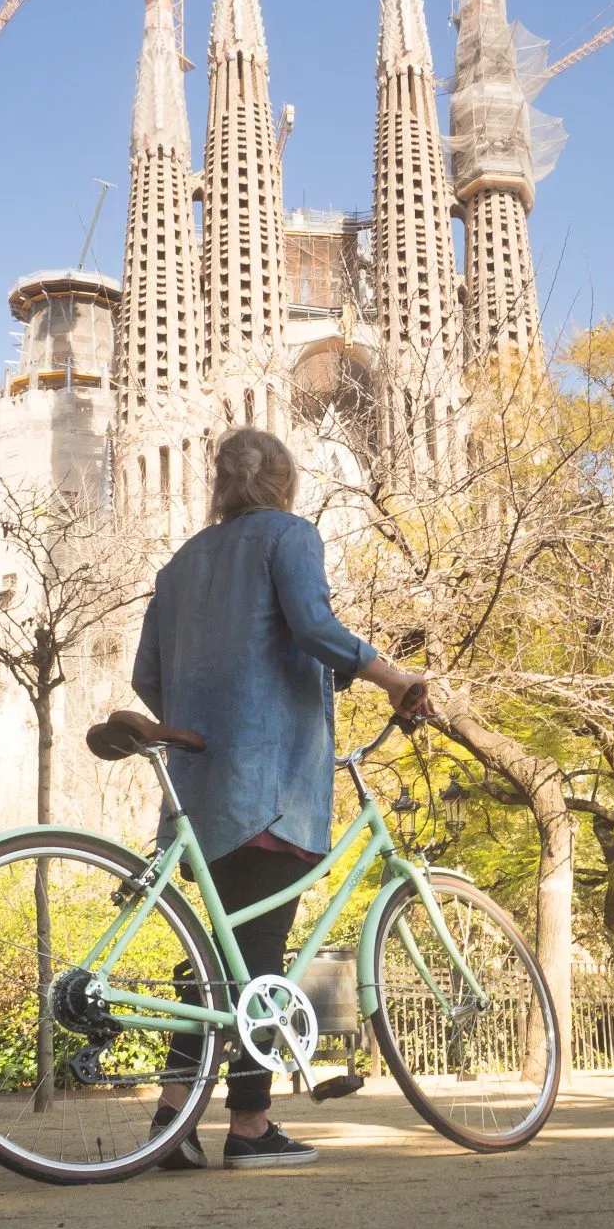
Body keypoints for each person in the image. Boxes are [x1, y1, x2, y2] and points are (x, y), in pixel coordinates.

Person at [137, 429, 432, 1171]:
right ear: (284, 481)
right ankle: (252, 1124)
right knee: (260, 952)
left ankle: (172, 1119)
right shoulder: (288, 535)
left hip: (198, 784)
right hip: (268, 777)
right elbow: (314, 626)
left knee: (216, 955)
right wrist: (394, 678)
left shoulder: (178, 566)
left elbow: (148, 679)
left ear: (220, 483)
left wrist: (211, 700)